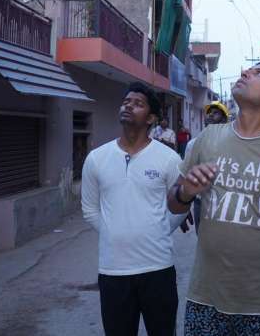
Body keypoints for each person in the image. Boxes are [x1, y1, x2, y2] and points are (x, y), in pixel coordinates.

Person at [168, 60, 260, 336]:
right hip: (204, 300)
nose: (245, 72)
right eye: (249, 70)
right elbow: (174, 203)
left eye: (258, 73)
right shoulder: (208, 137)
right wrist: (186, 192)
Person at [81, 82, 185, 336]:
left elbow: (180, 206)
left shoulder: (169, 159)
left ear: (151, 118)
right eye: (126, 102)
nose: (128, 106)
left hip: (158, 269)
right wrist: (113, 231)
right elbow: (90, 209)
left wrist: (157, 230)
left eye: (138, 104)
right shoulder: (96, 158)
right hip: (113, 271)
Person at [186, 101, 230, 234]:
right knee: (202, 238)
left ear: (224, 120)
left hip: (226, 201)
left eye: (215, 113)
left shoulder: (233, 144)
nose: (210, 115)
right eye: (209, 113)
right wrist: (185, 205)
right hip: (201, 201)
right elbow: (187, 176)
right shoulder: (193, 144)